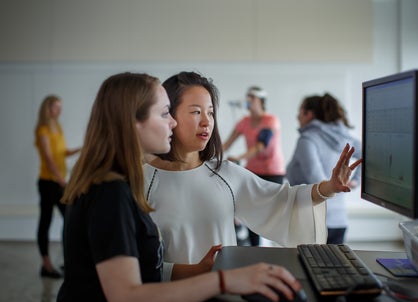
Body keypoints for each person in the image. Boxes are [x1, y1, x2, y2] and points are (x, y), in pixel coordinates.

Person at [54, 72, 303, 302]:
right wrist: (225, 280)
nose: (172, 122)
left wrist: (196, 270)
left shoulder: (114, 183)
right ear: (132, 122)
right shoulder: (110, 192)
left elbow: (141, 270)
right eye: (164, 113)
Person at [145, 71, 361, 280]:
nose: (206, 122)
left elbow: (285, 199)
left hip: (219, 297)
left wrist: (329, 187)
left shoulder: (226, 174)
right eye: (195, 112)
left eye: (210, 112)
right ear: (169, 115)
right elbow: (136, 266)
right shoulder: (142, 180)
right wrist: (191, 272)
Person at [286, 94, 362, 244]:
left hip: (312, 222)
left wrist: (353, 181)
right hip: (338, 220)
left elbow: (317, 180)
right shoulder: (344, 138)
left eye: (300, 111)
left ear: (309, 114)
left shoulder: (307, 140)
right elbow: (370, 154)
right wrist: (355, 181)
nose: (297, 116)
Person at [222, 86, 285, 245]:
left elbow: (261, 145)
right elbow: (227, 144)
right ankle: (254, 246)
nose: (248, 101)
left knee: (268, 212)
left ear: (261, 101)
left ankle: (269, 244)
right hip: (253, 170)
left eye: (252, 98)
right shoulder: (244, 122)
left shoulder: (270, 120)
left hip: (273, 171)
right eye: (247, 97)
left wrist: (240, 157)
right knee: (250, 210)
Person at [34, 95, 80, 278]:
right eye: (56, 107)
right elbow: (48, 158)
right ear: (48, 109)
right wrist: (61, 180)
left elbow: (61, 154)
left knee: (69, 220)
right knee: (46, 222)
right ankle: (46, 265)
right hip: (48, 183)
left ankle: (68, 262)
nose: (59, 110)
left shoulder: (57, 128)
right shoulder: (43, 130)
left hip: (58, 182)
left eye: (60, 107)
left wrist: (81, 149)